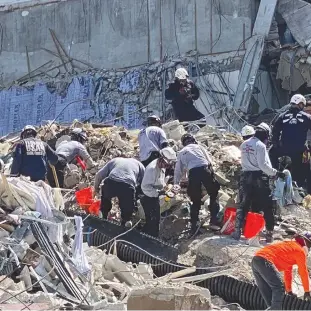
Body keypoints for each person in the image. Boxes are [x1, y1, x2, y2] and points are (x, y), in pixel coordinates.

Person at [231, 123, 284, 242]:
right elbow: (263, 165)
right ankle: (269, 234)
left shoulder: (244, 144)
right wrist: (275, 173)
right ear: (265, 134)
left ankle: (237, 231)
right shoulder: (260, 145)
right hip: (259, 177)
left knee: (244, 204)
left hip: (245, 177)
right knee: (267, 205)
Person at [174, 133, 220, 233]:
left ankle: (194, 226)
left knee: (195, 200)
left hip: (193, 173)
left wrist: (176, 183)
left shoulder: (181, 152)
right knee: (213, 194)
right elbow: (209, 161)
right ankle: (214, 221)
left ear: (184, 143)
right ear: (194, 140)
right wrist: (212, 177)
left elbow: (178, 170)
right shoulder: (199, 147)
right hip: (205, 170)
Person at [251, 233, 311, 310]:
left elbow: (288, 272)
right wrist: (307, 291)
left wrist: (289, 291)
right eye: (309, 246)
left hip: (256, 261)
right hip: (265, 261)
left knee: (268, 292)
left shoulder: (290, 247)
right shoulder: (300, 251)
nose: (309, 249)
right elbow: (303, 273)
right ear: (305, 243)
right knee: (278, 287)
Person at [272, 94, 311, 187]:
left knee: (271, 152)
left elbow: (275, 131)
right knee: (305, 168)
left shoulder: (282, 116)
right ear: (300, 104)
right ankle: (301, 187)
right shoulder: (306, 117)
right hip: (300, 150)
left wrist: (276, 143)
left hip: (283, 149)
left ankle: (274, 173)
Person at [94, 157, 145, 227]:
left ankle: (103, 214)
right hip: (127, 186)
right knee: (127, 210)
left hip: (111, 182)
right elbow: (144, 182)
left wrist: (96, 189)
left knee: (105, 200)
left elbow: (99, 175)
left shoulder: (115, 160)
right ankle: (126, 222)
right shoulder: (139, 165)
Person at [141, 147, 177, 237]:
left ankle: (147, 235)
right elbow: (145, 187)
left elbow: (160, 180)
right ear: (161, 158)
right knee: (152, 221)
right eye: (166, 164)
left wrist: (166, 187)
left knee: (155, 220)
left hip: (154, 196)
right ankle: (147, 239)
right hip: (148, 197)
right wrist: (160, 193)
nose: (166, 166)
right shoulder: (152, 169)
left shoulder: (162, 166)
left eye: (168, 165)